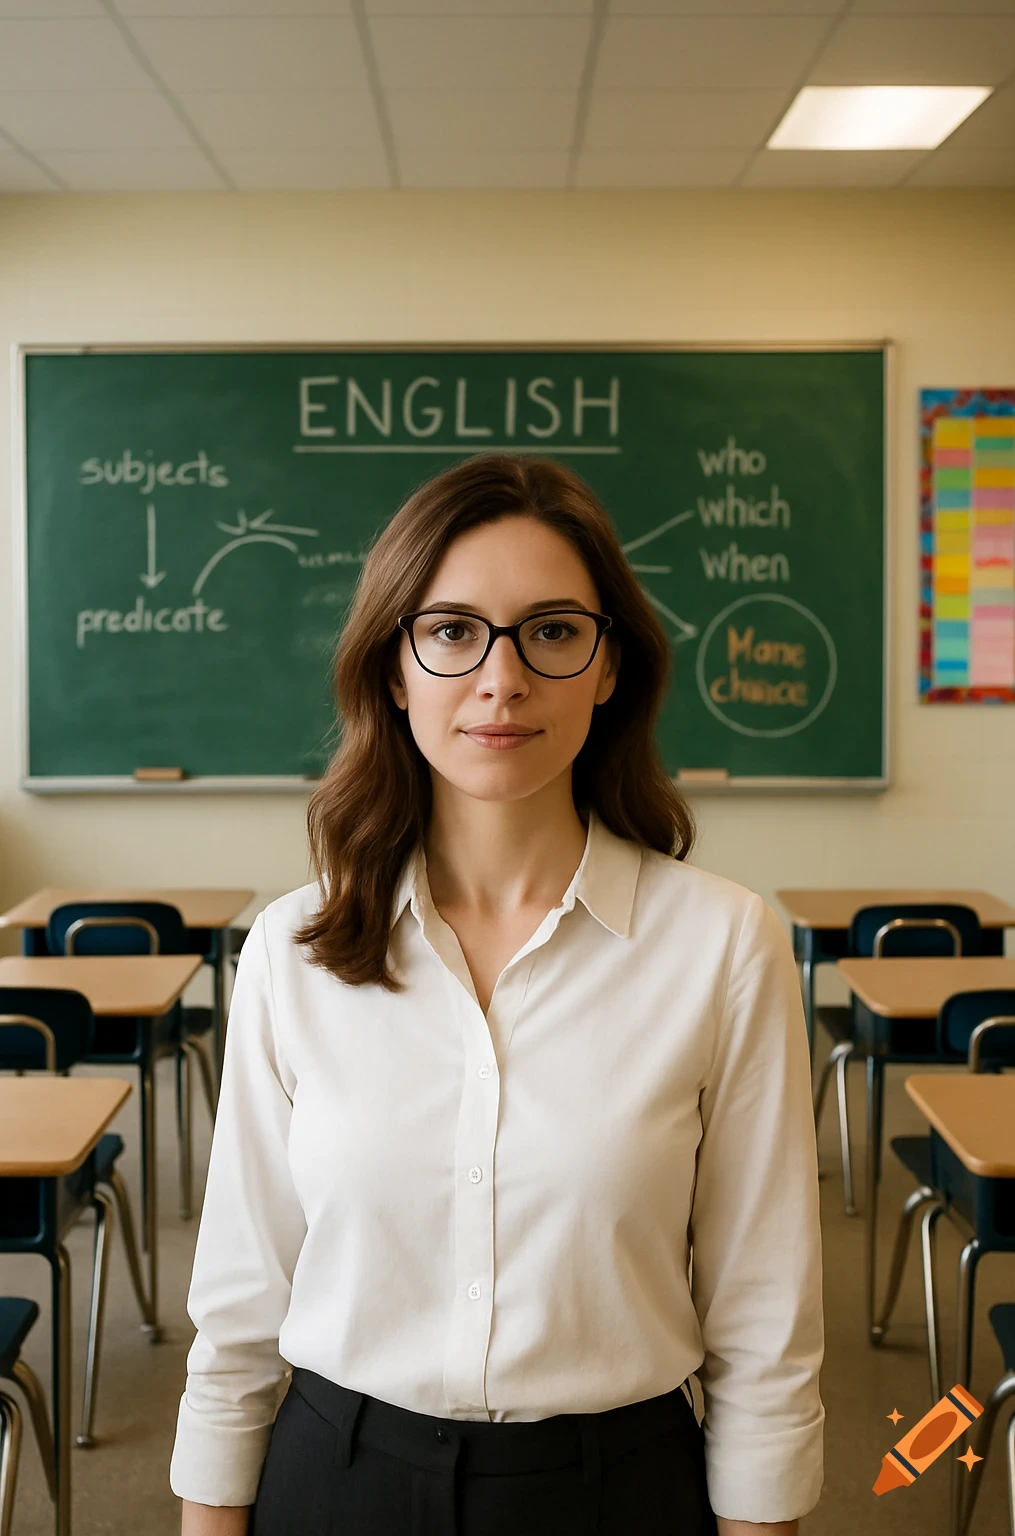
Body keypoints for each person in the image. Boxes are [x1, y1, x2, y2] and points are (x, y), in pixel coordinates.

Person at [169, 453, 824, 1536]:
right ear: (395, 667)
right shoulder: (294, 947)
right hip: (338, 1483)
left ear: (609, 667)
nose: (500, 678)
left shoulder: (721, 944)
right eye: (453, 630)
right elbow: (240, 1303)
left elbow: (765, 1322)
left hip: (616, 1490)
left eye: (552, 631)